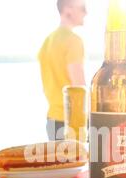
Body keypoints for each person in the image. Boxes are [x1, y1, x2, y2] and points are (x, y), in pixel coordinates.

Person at [38, 0, 87, 141]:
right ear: (68, 10)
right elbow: (78, 87)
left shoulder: (47, 41)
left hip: (52, 119)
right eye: (82, 8)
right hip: (71, 122)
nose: (86, 13)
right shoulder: (73, 41)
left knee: (57, 163)